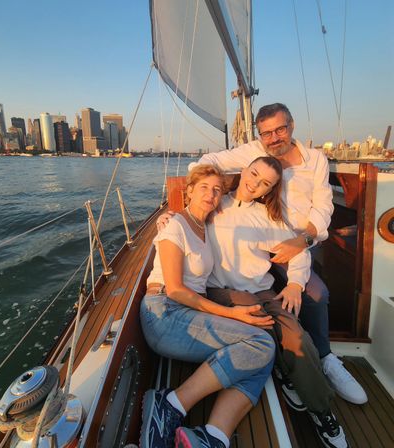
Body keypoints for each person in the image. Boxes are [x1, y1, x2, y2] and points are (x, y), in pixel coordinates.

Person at [158, 157, 350, 448]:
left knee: (297, 337)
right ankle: (285, 371)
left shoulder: (267, 217)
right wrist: (168, 217)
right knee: (258, 319)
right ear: (244, 170)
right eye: (254, 173)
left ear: (268, 190)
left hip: (263, 289)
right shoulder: (214, 202)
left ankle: (322, 410)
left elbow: (298, 249)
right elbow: (188, 217)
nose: (255, 183)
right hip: (222, 290)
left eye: (265, 183)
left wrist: (296, 283)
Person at [187, 103, 367, 406]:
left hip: (300, 242)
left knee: (315, 294)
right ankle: (289, 364)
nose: (274, 138)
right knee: (264, 303)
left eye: (280, 129)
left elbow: (324, 205)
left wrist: (303, 239)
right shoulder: (253, 153)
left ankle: (325, 358)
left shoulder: (315, 160)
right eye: (266, 133)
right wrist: (196, 204)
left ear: (292, 125)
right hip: (263, 242)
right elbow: (206, 162)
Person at [140, 164, 276, 448]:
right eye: (203, 187)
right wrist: (232, 314)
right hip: (164, 312)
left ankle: (213, 436)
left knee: (264, 354)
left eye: (217, 190)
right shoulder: (175, 225)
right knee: (261, 345)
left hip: (187, 314)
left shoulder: (204, 228)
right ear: (188, 190)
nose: (211, 194)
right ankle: (172, 403)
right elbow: (176, 289)